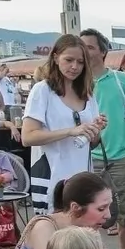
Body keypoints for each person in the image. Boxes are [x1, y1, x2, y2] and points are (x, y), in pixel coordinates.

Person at [22, 34, 105, 215]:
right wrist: (70, 131)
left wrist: (96, 128)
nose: (74, 66)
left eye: (80, 62)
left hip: (82, 177)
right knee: (54, 236)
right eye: (69, 60)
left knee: (81, 235)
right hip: (52, 175)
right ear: (55, 58)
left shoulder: (88, 95)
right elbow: (27, 137)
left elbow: (93, 143)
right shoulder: (43, 90)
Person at [81, 29, 125, 249]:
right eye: (82, 47)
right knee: (87, 212)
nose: (84, 51)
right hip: (87, 157)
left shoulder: (120, 79)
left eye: (89, 47)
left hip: (120, 156)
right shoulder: (78, 83)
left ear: (103, 51)